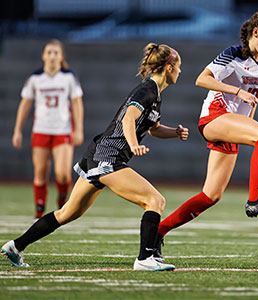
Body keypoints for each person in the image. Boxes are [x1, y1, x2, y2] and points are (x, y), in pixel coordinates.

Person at [2, 43, 189, 271]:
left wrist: (175, 133)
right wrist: (133, 145)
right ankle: (145, 259)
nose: (181, 71)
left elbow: (153, 128)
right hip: (108, 157)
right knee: (155, 201)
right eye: (179, 67)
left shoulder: (156, 95)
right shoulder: (146, 91)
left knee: (67, 213)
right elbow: (128, 119)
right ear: (169, 67)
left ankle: (16, 246)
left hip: (98, 156)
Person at [151, 10, 258, 262]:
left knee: (210, 196)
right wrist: (236, 91)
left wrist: (248, 124)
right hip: (214, 117)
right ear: (255, 33)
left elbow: (255, 94)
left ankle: (157, 232)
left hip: (233, 124)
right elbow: (201, 80)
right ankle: (255, 199)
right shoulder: (233, 53)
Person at [12, 39, 84, 218]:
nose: (52, 56)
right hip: (41, 130)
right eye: (49, 53)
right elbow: (25, 104)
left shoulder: (68, 77)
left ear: (61, 57)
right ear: (43, 56)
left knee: (63, 175)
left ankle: (61, 203)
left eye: (56, 53)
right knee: (40, 174)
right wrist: (17, 130)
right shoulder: (35, 78)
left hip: (62, 131)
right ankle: (39, 212)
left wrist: (79, 129)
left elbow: (77, 104)